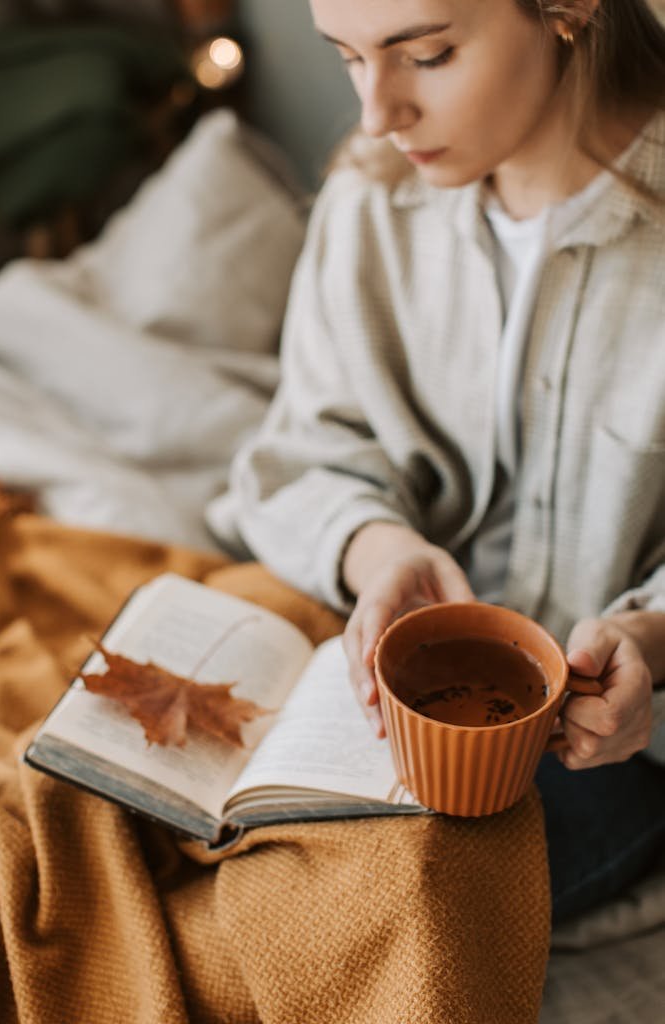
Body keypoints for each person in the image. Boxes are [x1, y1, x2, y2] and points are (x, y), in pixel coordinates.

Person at [207, 0, 665, 924]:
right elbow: (299, 453)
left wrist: (652, 640)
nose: (377, 113)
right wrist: (377, 551)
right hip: (378, 683)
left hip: (613, 744)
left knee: (362, 919)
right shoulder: (370, 200)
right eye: (346, 58)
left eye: (426, 54)